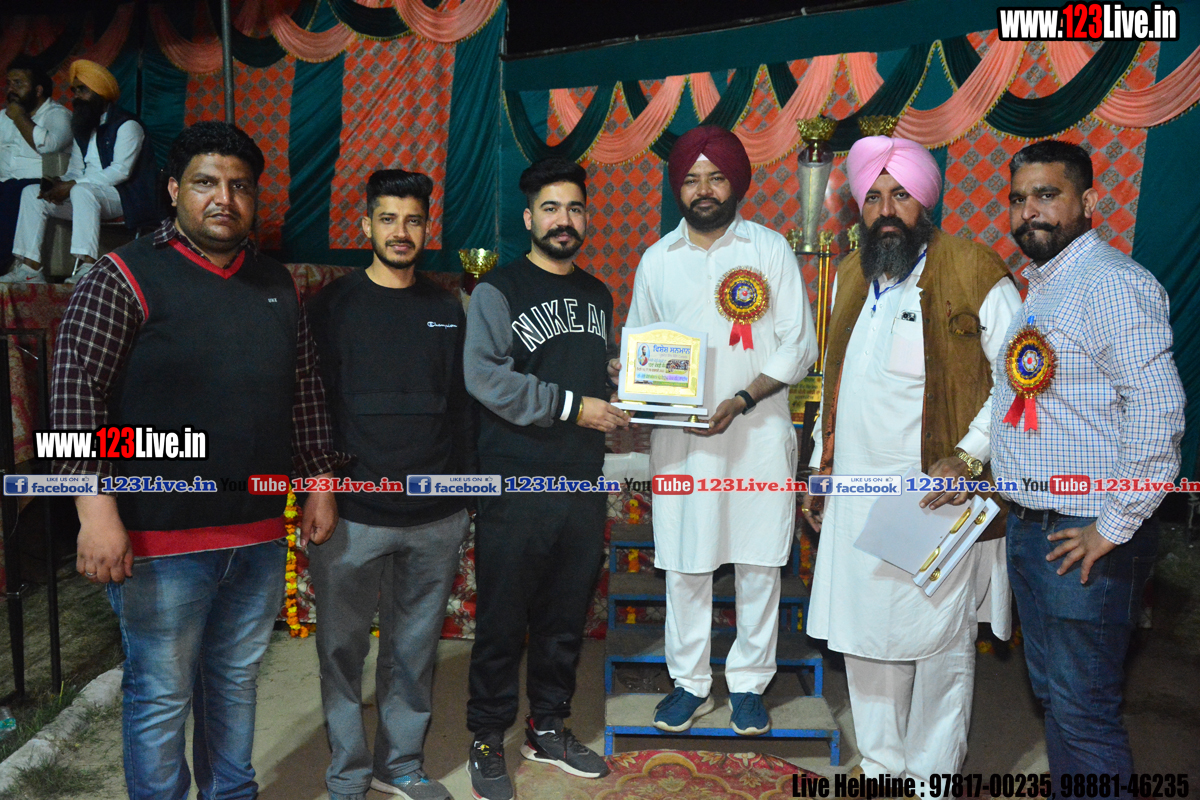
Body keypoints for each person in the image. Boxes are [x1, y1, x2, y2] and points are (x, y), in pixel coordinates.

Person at [51, 120, 346, 800]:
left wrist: (320, 483)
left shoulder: (277, 283)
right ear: (173, 190)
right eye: (206, 183)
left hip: (257, 533)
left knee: (235, 680)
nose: (224, 199)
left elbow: (304, 392)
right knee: (161, 693)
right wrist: (95, 512)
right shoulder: (125, 276)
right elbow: (74, 397)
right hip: (160, 539)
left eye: (239, 186)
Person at [803, 135, 1021, 785]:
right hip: (855, 495)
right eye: (873, 197)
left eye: (900, 195)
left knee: (939, 644)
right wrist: (819, 467)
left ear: (926, 200)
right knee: (864, 637)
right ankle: (881, 764)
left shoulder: (972, 268)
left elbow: (1021, 378)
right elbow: (832, 382)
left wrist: (969, 457)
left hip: (934, 496)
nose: (886, 210)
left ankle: (931, 779)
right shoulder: (850, 275)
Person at [992, 140, 1185, 789]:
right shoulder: (1043, 289)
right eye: (1019, 198)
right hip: (1034, 529)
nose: (1029, 211)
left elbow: (1158, 412)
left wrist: (1112, 526)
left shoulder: (1111, 284)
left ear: (1089, 202)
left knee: (1083, 713)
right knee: (1058, 701)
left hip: (1084, 535)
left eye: (1047, 195)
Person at [626, 125, 818, 737]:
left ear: (736, 182)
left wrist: (741, 399)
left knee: (759, 564)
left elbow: (800, 345)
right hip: (681, 444)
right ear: (677, 189)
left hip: (757, 434)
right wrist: (632, 379)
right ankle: (688, 683)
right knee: (686, 564)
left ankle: (749, 684)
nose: (703, 189)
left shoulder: (768, 249)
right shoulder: (657, 260)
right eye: (691, 179)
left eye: (714, 177)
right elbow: (641, 345)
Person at [463, 156, 627, 800]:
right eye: (551, 208)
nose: (565, 220)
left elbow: (593, 368)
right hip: (516, 479)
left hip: (581, 479)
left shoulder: (598, 294)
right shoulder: (497, 289)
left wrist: (624, 380)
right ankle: (485, 735)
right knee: (503, 620)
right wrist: (572, 406)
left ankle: (548, 727)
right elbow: (485, 377)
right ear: (529, 217)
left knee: (565, 615)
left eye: (575, 208)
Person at [306, 169, 472, 800]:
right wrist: (320, 486)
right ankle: (347, 774)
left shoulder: (446, 308)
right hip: (352, 517)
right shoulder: (330, 306)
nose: (400, 232)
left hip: (435, 518)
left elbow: (462, 408)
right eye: (387, 219)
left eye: (413, 221)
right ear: (365, 225)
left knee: (414, 651)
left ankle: (399, 765)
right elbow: (310, 404)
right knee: (340, 653)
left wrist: (465, 496)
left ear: (427, 229)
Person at [5, 58, 158, 285]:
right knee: (31, 192)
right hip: (88, 195)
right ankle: (29, 268)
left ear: (100, 92)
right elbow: (76, 170)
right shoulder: (83, 126)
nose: (76, 96)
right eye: (75, 90)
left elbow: (120, 171)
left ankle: (88, 266)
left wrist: (74, 185)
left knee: (81, 191)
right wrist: (59, 184)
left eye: (83, 90)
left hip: (124, 196)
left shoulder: (127, 125)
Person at [0, 55, 71, 270]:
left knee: (12, 190)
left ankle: (5, 264)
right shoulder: (3, 116)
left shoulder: (58, 115)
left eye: (18, 83)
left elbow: (49, 146)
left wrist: (20, 118)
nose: (11, 89)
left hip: (39, 183)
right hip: (6, 182)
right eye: (9, 83)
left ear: (38, 90)